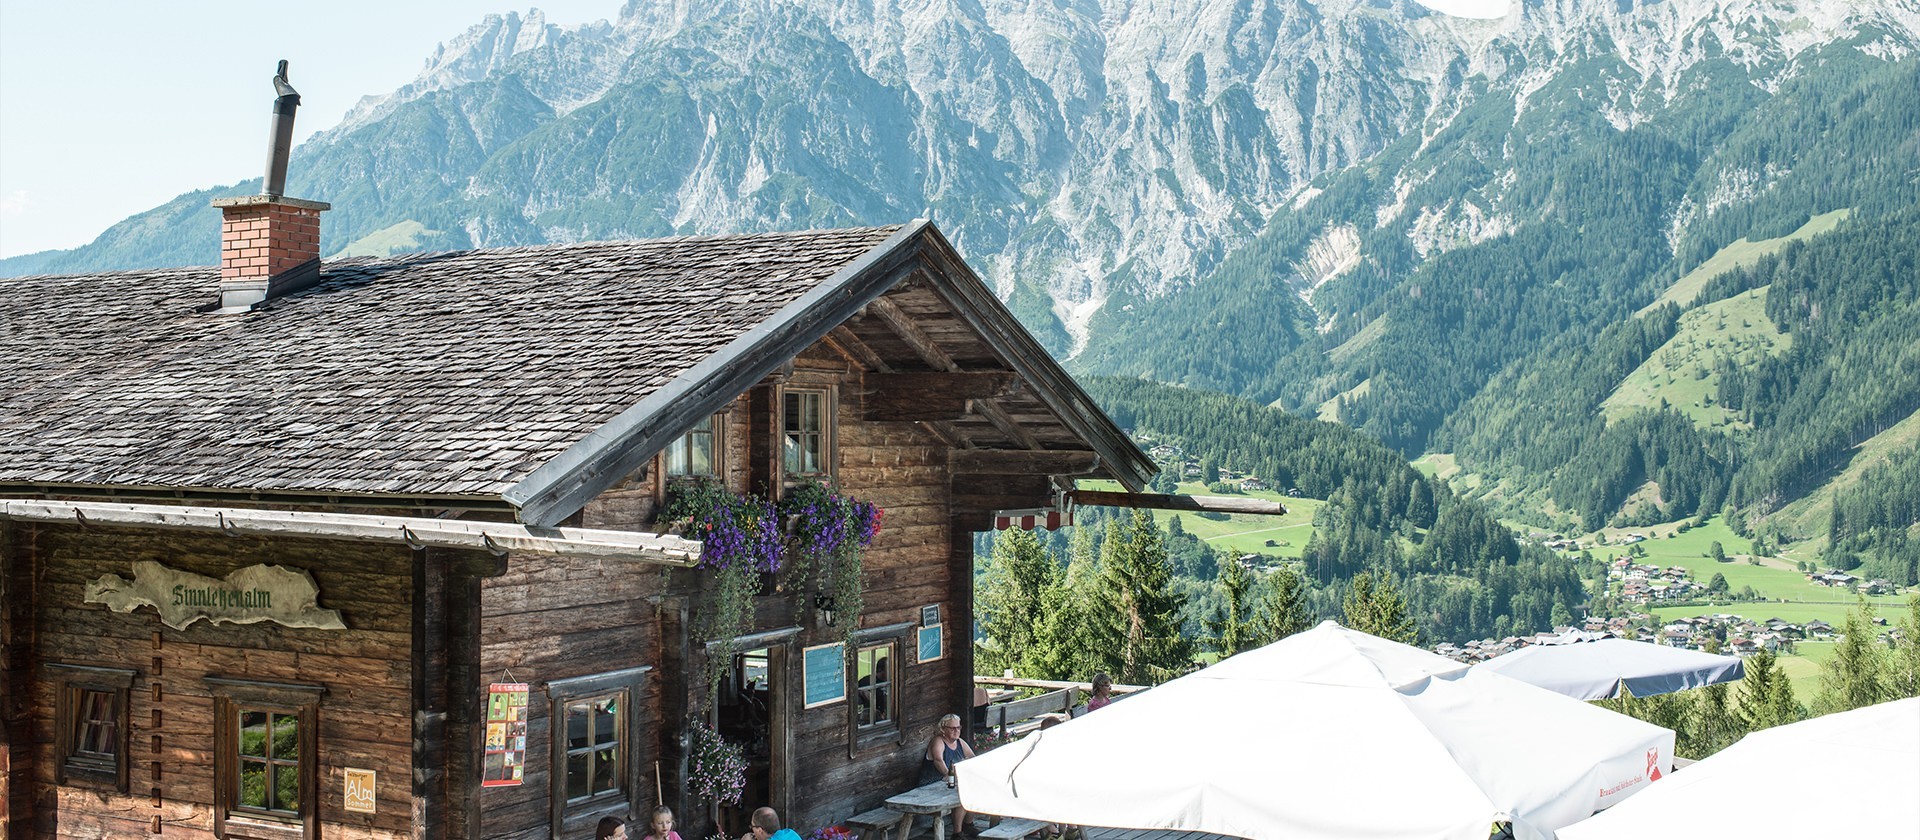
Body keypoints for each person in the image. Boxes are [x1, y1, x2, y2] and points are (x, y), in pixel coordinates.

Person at [920, 713, 978, 837]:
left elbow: (973, 758)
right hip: (932, 783)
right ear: (943, 729)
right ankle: (957, 833)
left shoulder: (960, 742)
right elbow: (938, 760)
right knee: (961, 794)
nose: (956, 731)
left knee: (972, 788)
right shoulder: (938, 741)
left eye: (958, 727)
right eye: (952, 728)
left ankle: (968, 824)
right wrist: (948, 774)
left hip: (949, 783)